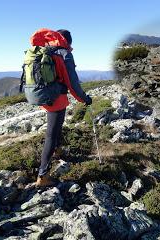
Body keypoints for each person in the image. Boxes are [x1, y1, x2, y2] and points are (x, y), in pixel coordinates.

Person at [32, 29, 92, 187]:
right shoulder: (63, 53)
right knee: (51, 135)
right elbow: (72, 83)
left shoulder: (46, 50)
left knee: (56, 128)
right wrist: (84, 99)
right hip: (56, 98)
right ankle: (42, 176)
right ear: (68, 41)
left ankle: (57, 151)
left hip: (45, 96)